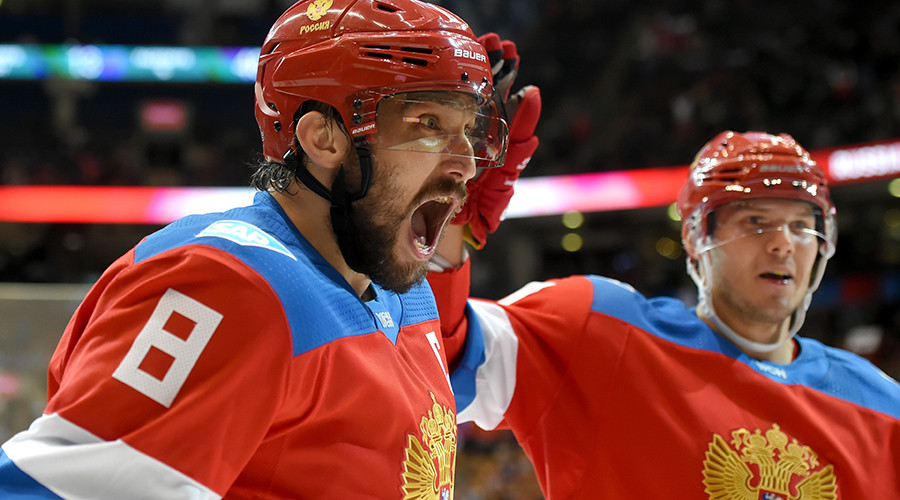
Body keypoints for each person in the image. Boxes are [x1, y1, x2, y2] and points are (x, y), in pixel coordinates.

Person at [0, 0, 540, 497]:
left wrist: (445, 245)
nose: (469, 164)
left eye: (469, 132)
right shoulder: (224, 286)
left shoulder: (393, 288)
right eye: (428, 125)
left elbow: (407, 388)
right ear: (323, 139)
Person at [428, 131, 900, 498]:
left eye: (802, 226)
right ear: (697, 238)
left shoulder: (882, 408)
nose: (783, 243)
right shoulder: (596, 328)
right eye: (755, 221)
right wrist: (442, 226)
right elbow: (429, 363)